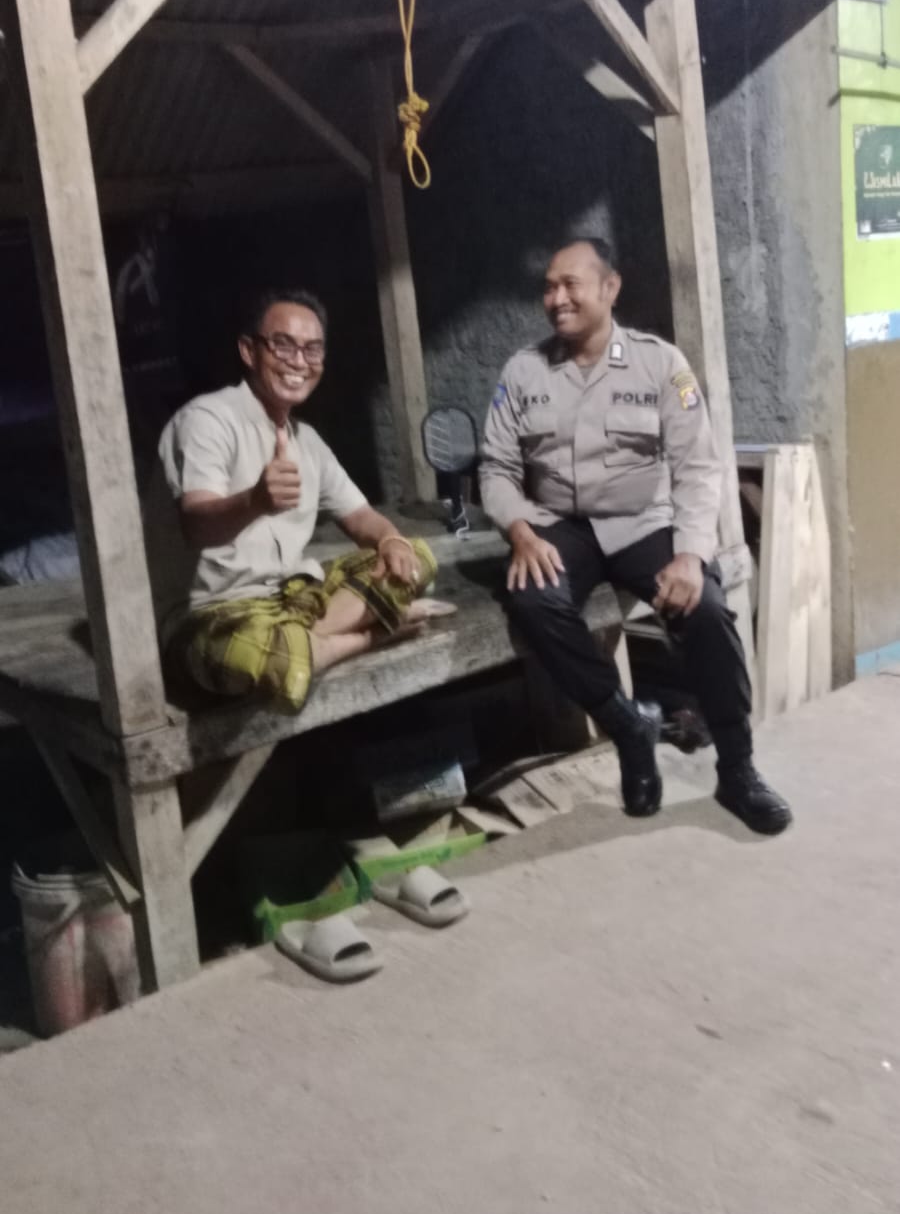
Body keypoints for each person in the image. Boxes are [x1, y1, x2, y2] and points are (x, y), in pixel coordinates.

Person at [479, 238, 792, 835]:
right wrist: (519, 530)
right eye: (548, 287)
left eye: (570, 284)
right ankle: (628, 725)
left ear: (610, 287)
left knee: (707, 609)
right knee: (532, 600)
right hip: (557, 525)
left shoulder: (660, 365)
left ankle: (738, 769)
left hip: (642, 522)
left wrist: (691, 555)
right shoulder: (523, 371)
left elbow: (697, 466)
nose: (556, 298)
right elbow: (496, 468)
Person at [145, 286, 447, 710]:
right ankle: (374, 633)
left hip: (293, 600)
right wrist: (255, 502)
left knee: (416, 557)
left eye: (312, 349)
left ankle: (307, 643)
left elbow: (361, 516)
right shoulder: (207, 420)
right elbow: (197, 525)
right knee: (266, 657)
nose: (299, 362)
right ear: (249, 351)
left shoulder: (307, 441)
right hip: (213, 615)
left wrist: (391, 540)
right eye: (283, 345)